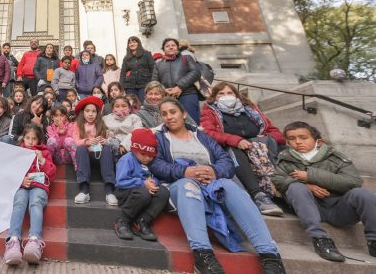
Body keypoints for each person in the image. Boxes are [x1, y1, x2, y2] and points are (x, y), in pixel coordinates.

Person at [149, 98, 285, 274]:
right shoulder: (159, 138)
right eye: (164, 114)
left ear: (183, 114)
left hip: (212, 184)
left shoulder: (202, 136)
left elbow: (226, 161)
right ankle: (203, 255)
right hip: (180, 186)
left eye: (173, 112)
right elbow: (156, 165)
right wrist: (185, 172)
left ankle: (269, 254)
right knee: (187, 185)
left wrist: (213, 171)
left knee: (230, 186)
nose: (168, 117)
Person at [273, 121, 376, 262]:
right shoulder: (285, 158)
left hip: (339, 208)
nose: (297, 142)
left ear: (318, 141)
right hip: (309, 207)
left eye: (303, 138)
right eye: (292, 139)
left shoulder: (336, 158)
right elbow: (278, 180)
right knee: (296, 187)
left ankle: (373, 240)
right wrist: (307, 186)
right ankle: (320, 239)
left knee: (363, 194)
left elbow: (353, 181)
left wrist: (310, 176)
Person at [200, 82, 285, 216]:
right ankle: (259, 195)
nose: (226, 96)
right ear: (214, 97)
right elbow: (208, 133)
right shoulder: (209, 111)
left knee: (283, 150)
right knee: (233, 151)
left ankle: (284, 192)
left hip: (259, 145)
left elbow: (274, 131)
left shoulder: (251, 109)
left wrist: (264, 140)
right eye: (221, 94)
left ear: (236, 95)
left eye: (229, 93)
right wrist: (236, 140)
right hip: (232, 146)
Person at [3, 124, 57, 266]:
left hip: (39, 186)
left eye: (34, 139)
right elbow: (10, 172)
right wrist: (20, 181)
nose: (31, 141)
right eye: (28, 138)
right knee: (19, 202)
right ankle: (13, 240)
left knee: (35, 203)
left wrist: (42, 160)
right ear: (23, 138)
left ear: (39, 140)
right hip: (22, 186)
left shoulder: (44, 152)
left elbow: (51, 173)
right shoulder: (18, 151)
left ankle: (35, 240)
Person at [113, 128, 170, 241]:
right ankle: (123, 221)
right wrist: (143, 183)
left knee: (163, 193)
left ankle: (142, 221)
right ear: (134, 150)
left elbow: (154, 177)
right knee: (143, 193)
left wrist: (154, 183)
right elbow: (121, 182)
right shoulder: (127, 160)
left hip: (144, 191)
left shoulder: (149, 161)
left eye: (151, 155)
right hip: (126, 191)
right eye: (144, 154)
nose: (147, 158)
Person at [71, 96, 117, 206]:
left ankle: (109, 190)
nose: (90, 114)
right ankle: (84, 189)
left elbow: (109, 138)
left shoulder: (101, 123)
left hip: (99, 154)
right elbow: (76, 141)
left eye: (94, 111)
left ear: (97, 113)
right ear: (82, 112)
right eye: (87, 111)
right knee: (81, 149)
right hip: (85, 154)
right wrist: (87, 141)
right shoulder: (77, 124)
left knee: (106, 149)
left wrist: (104, 140)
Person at [152, 38, 201, 124]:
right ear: (163, 50)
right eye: (167, 46)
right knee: (172, 123)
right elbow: (154, 81)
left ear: (177, 47)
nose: (170, 47)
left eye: (173, 45)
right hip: (167, 97)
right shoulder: (158, 64)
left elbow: (196, 72)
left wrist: (179, 87)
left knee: (191, 123)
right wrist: (163, 90)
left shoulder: (186, 58)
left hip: (187, 94)